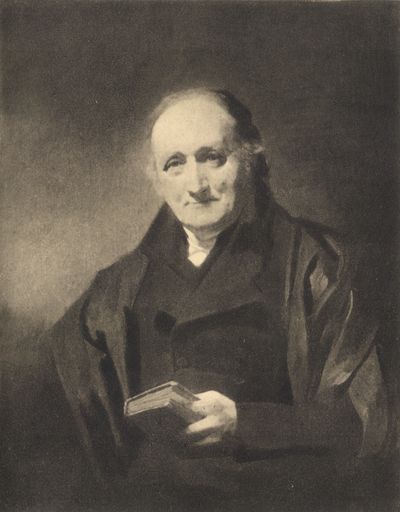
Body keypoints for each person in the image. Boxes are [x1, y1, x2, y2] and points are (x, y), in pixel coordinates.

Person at [36, 88, 389, 511]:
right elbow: (75, 414)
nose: (196, 185)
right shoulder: (116, 286)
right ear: (157, 178)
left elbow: (365, 421)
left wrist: (246, 423)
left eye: (212, 158)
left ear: (250, 158)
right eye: (175, 164)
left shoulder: (320, 265)